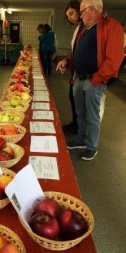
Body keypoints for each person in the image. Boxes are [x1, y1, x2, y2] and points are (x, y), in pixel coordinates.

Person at [56, 0, 124, 160]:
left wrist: (96, 79)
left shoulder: (112, 26)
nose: (80, 15)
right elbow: (78, 53)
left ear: (92, 10)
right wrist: (67, 61)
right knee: (80, 113)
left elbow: (114, 60)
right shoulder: (85, 29)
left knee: (92, 116)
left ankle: (92, 146)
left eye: (81, 11)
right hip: (78, 78)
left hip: (94, 80)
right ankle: (80, 140)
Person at [62, 0, 84, 134]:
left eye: (71, 13)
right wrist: (67, 61)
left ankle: (78, 127)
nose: (69, 17)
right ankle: (75, 124)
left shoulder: (84, 28)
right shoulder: (78, 27)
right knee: (73, 97)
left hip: (82, 73)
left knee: (78, 101)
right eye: (68, 15)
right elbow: (75, 51)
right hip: (76, 71)